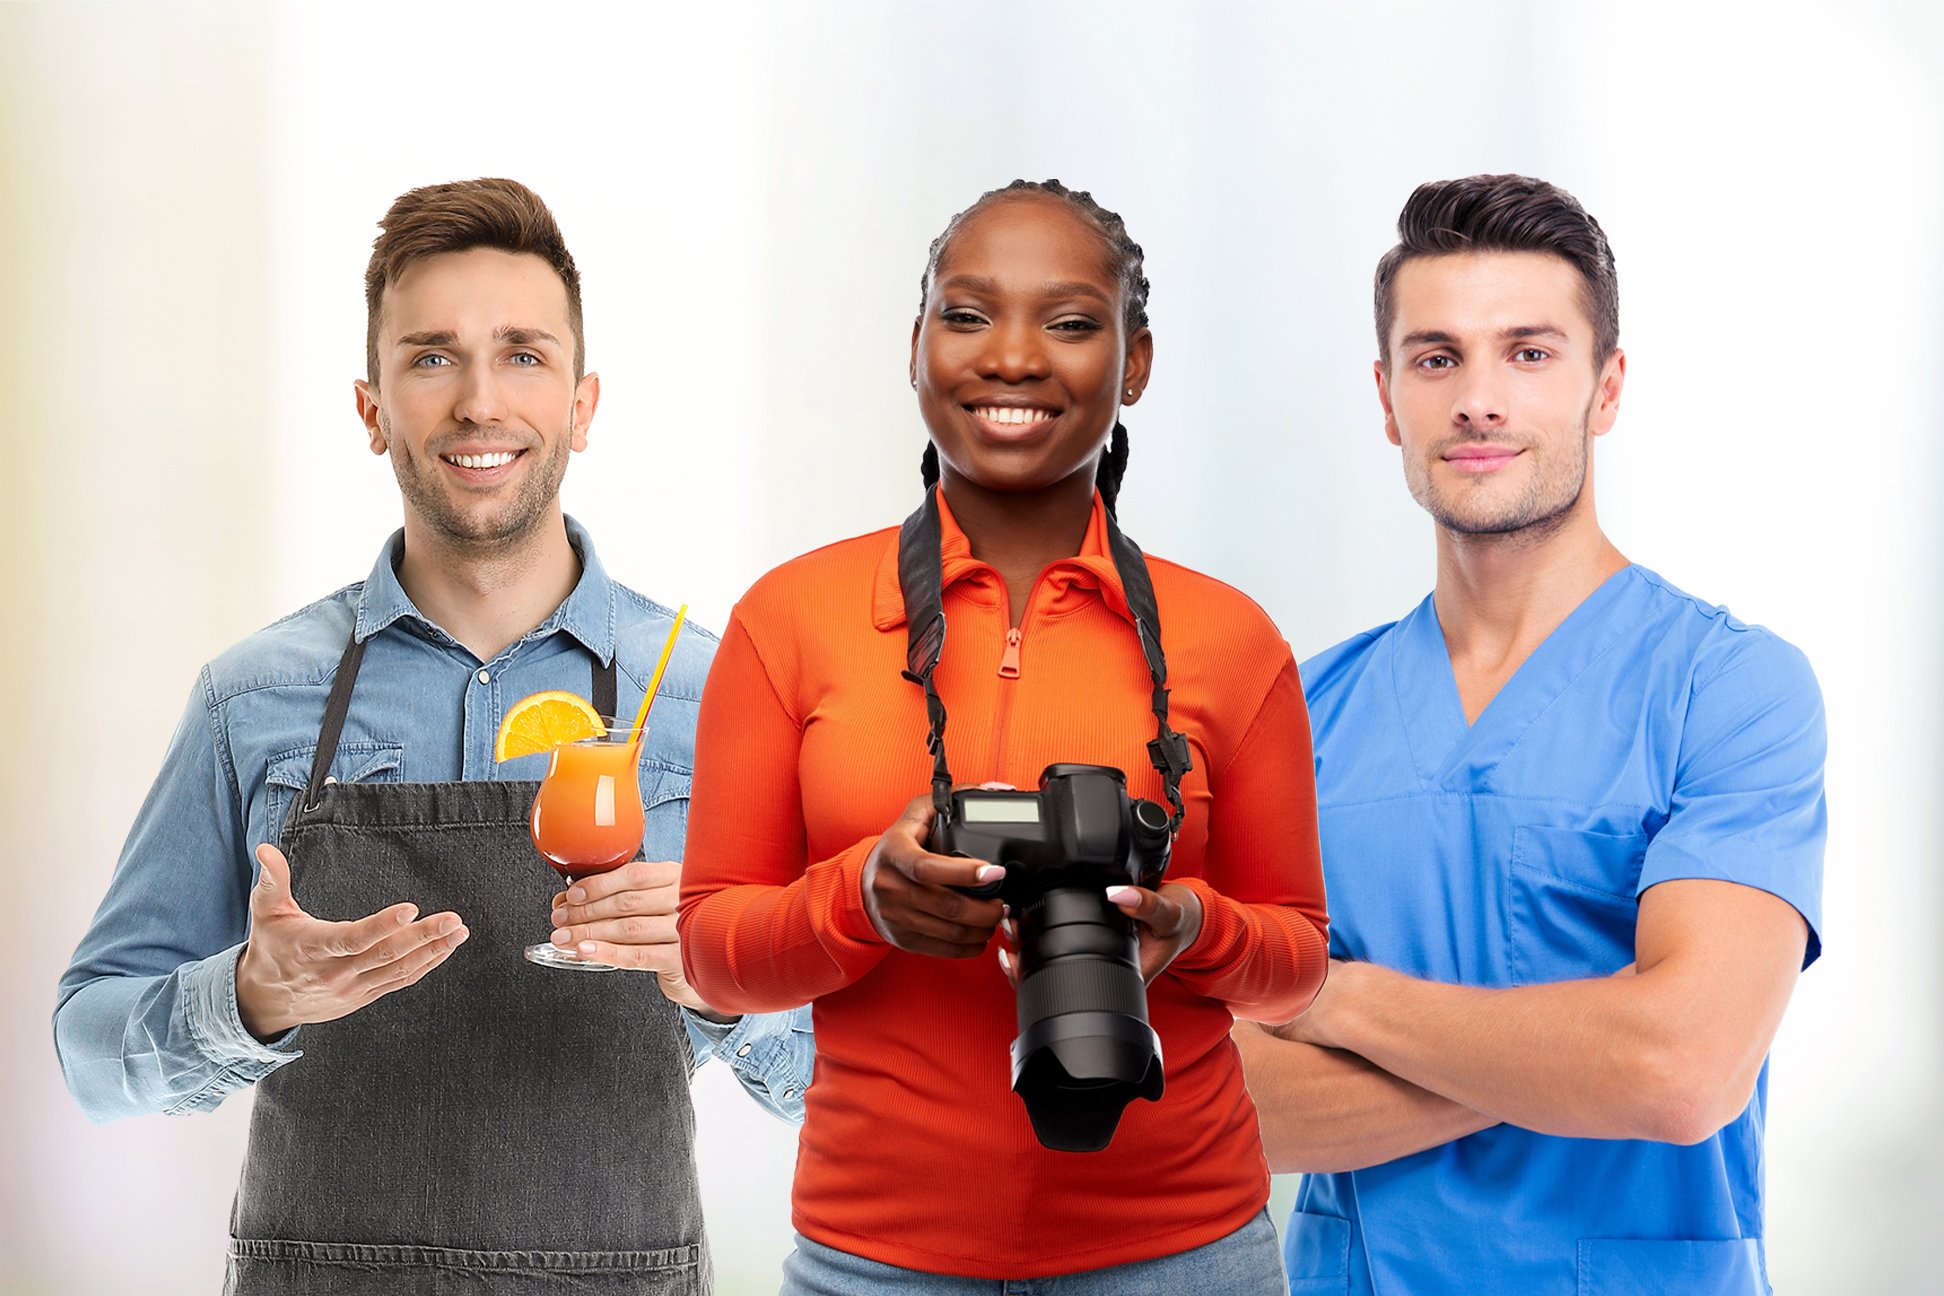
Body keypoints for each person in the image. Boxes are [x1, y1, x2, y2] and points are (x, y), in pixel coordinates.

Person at [54, 177, 811, 1295]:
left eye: (522, 354)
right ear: (372, 410)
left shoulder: (712, 698)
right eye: (431, 357)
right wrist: (250, 996)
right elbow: (90, 1058)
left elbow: (846, 1081)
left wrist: (723, 987)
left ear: (583, 404)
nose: (478, 403)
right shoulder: (252, 698)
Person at [601, 178, 1330, 1292]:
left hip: (1184, 1252)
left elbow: (1298, 962)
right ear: (917, 346)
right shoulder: (790, 620)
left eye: (1073, 322)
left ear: (1135, 363)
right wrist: (862, 899)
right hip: (873, 1256)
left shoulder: (1230, 641)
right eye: (970, 314)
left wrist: (1190, 926)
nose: (1014, 358)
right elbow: (710, 953)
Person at [1235, 174, 1826, 1295]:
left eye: (1529, 352)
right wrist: (1583, 1046)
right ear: (1387, 396)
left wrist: (1335, 1001)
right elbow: (1214, 1106)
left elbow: (1683, 1071)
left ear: (1607, 388)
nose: (1479, 400)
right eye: (1437, 357)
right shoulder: (1296, 715)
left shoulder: (1729, 687)